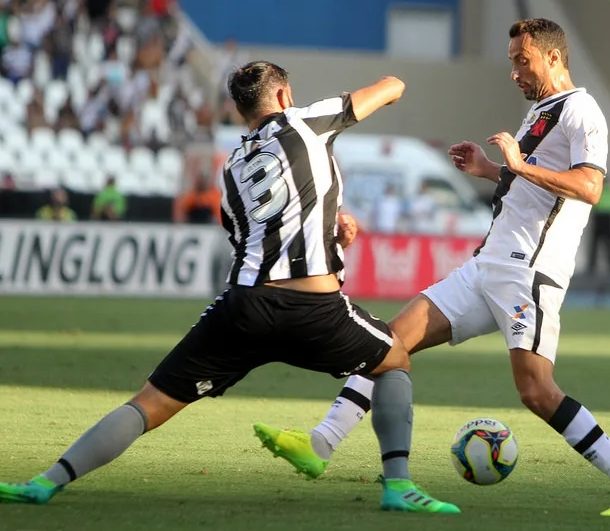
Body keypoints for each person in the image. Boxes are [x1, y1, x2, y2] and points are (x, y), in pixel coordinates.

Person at [0, 61, 459, 514]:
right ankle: (398, 486)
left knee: (148, 404)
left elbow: (256, 239)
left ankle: (46, 482)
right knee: (395, 359)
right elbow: (391, 86)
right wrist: (391, 86)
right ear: (283, 96)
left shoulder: (233, 166)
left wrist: (330, 234)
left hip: (245, 306)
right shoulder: (304, 122)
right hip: (313, 309)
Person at [256, 19, 610, 517]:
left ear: (554, 57)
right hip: (487, 263)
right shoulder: (540, 109)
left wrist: (515, 163)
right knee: (387, 343)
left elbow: (588, 188)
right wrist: (489, 170)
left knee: (536, 391)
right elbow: (529, 185)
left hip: (528, 270)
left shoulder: (582, 110)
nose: (514, 71)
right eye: (512, 59)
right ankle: (320, 444)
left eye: (522, 60)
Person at [588, 178, 610, 276]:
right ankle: (595, 266)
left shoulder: (600, 192)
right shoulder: (609, 193)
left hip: (603, 217)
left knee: (601, 244)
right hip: (603, 217)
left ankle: (600, 266)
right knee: (601, 244)